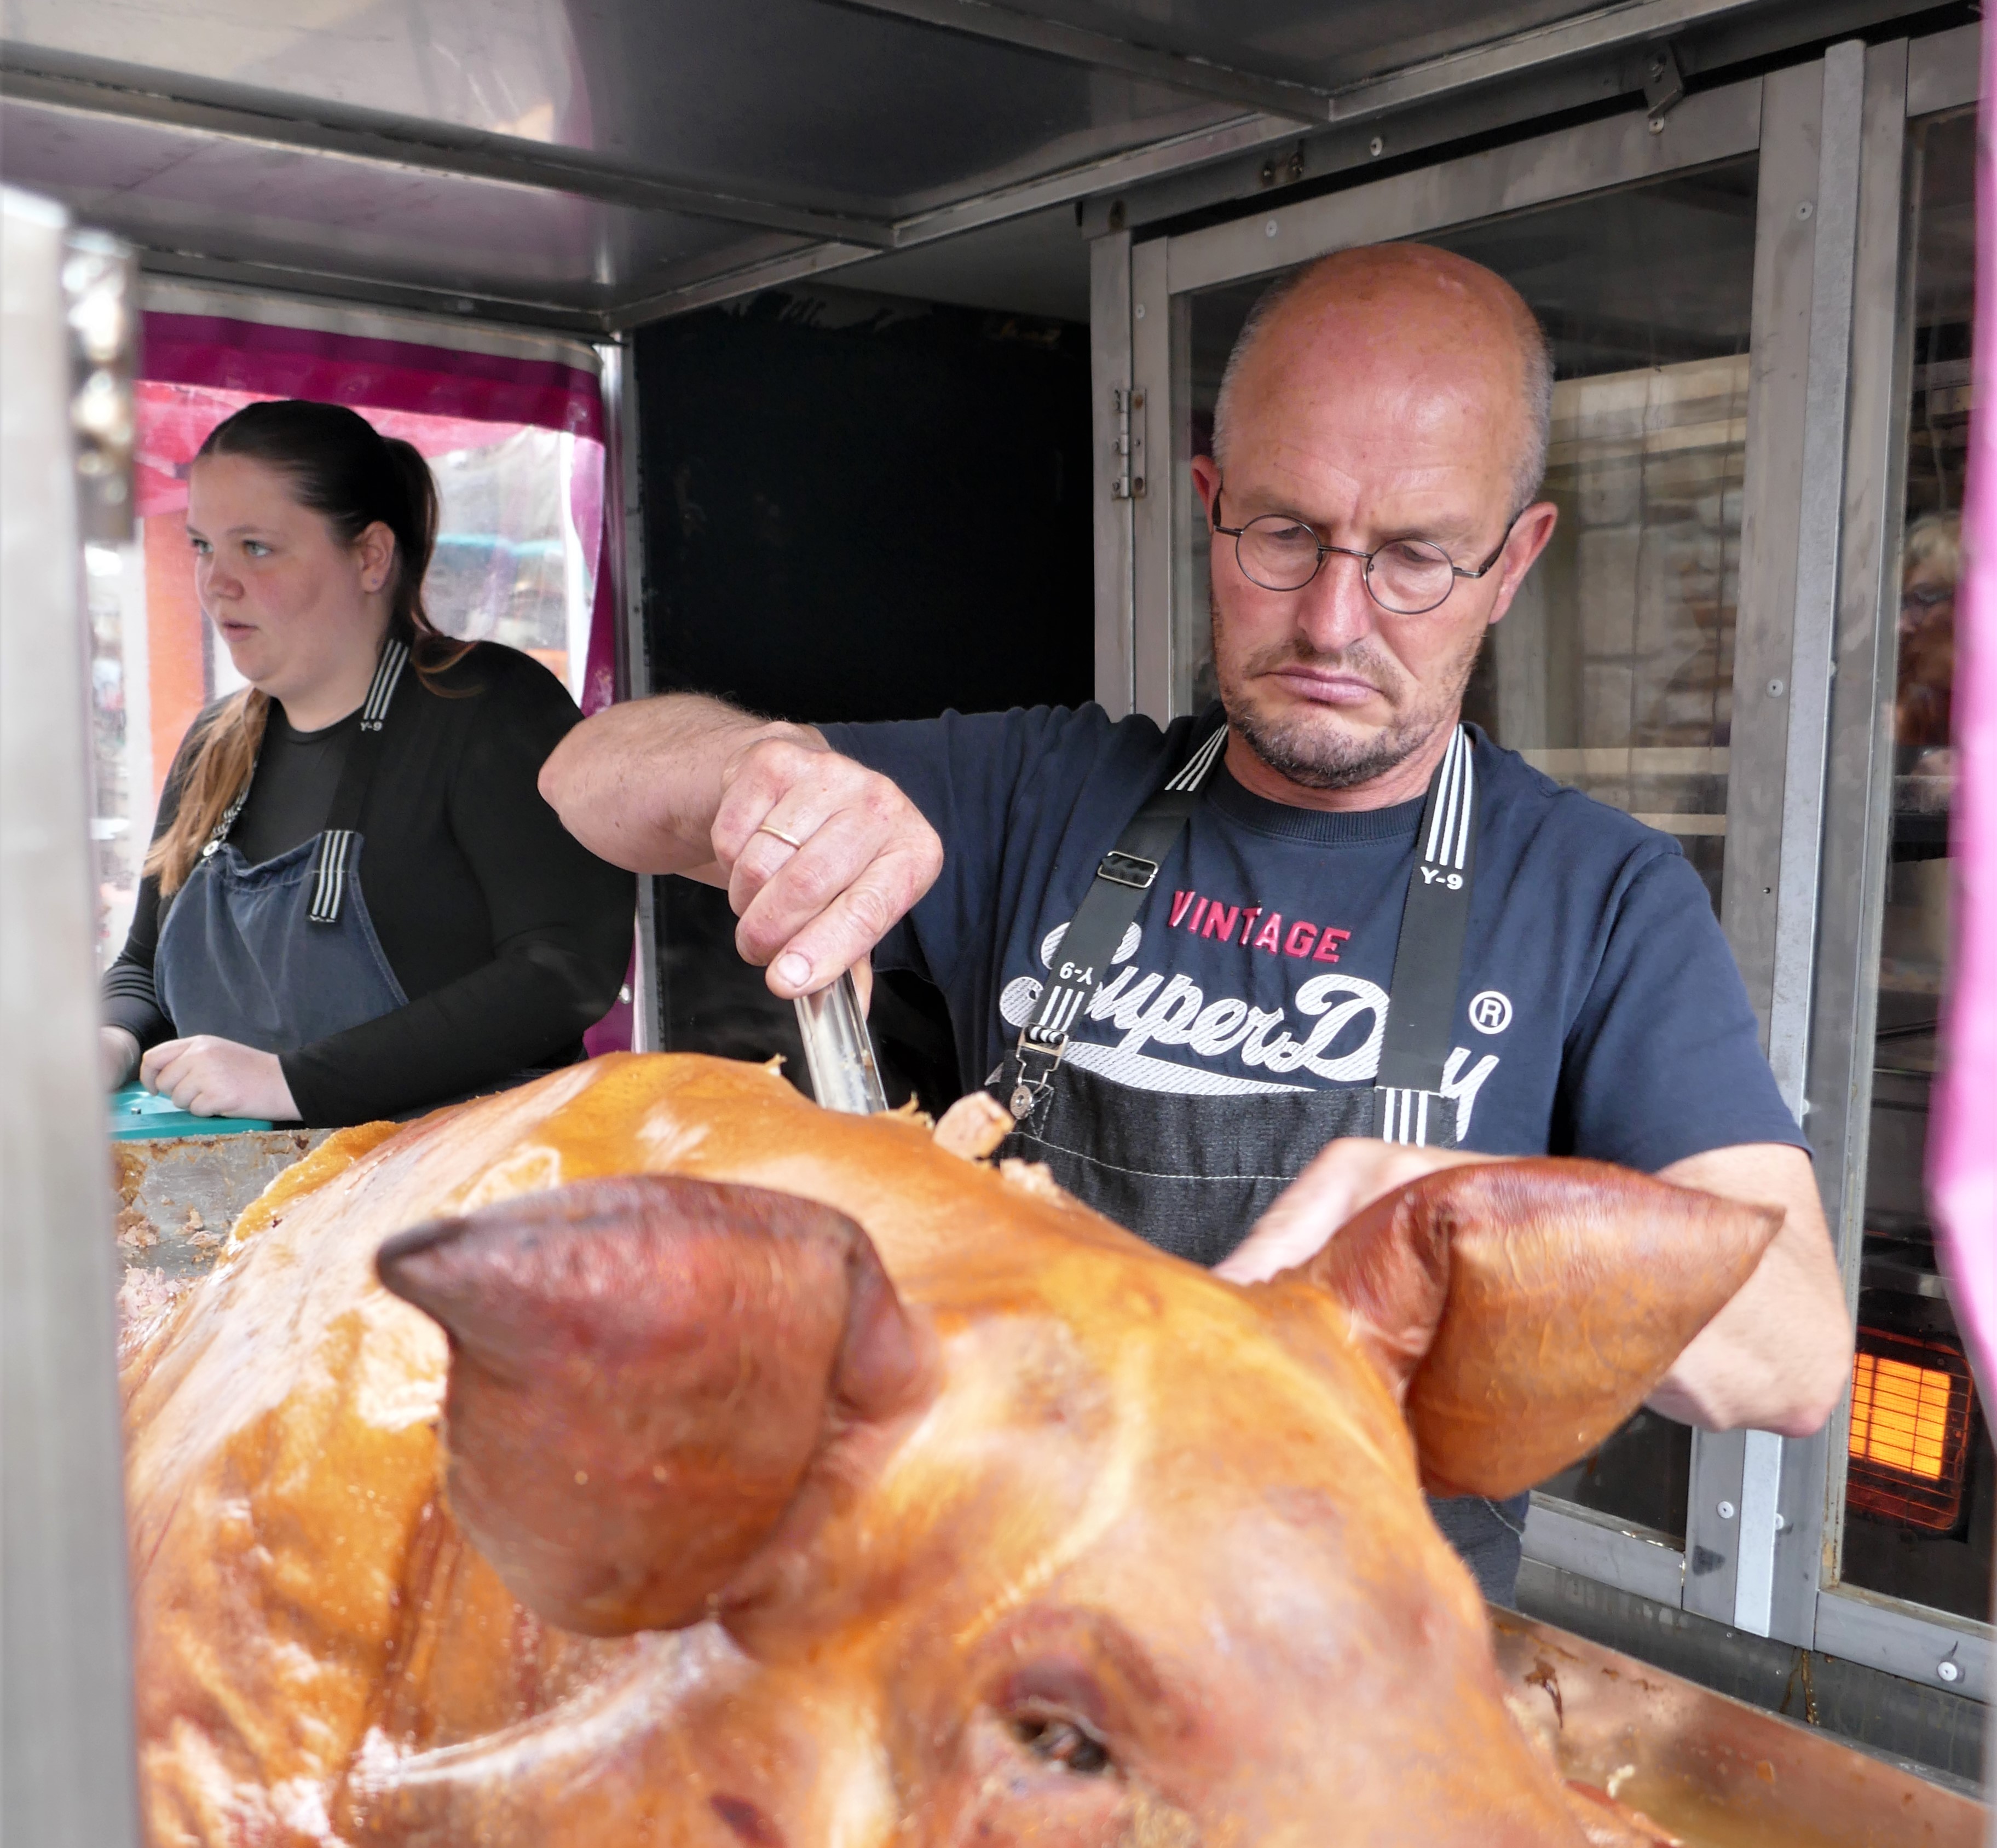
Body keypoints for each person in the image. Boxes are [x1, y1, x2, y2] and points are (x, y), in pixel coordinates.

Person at [540, 242, 1851, 1604]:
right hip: (993, 1606)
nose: (1336, 620)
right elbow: (587, 777)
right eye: (1285, 535)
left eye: (1414, 558)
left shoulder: (1600, 895)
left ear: (1514, 562)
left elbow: (1798, 1353)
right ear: (1209, 504)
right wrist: (754, 780)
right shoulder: (1038, 792)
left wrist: (1476, 1224)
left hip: (1339, 1683)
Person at [102, 400, 634, 1127]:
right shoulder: (213, 744)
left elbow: (565, 971)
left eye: (255, 546)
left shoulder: (489, 708)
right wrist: (111, 1037)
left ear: (371, 556)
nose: (215, 581)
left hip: (463, 1203)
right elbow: (143, 965)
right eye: (202, 545)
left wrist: (292, 1083)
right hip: (244, 1218)